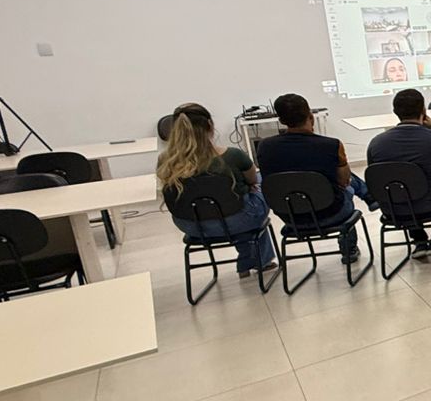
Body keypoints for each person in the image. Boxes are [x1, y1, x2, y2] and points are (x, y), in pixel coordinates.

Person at [157, 103, 278, 277]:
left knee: (236, 205)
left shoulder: (166, 161)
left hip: (191, 225)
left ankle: (249, 258)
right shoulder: (233, 155)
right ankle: (258, 261)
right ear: (210, 125)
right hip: (236, 220)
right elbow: (252, 181)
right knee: (259, 184)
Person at [255, 93, 367, 264]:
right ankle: (349, 248)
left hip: (290, 216)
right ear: (311, 116)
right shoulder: (331, 145)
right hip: (331, 213)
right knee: (348, 185)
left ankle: (369, 196)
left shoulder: (264, 147)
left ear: (281, 120)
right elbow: (344, 181)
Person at [364, 88, 431, 255]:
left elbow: (375, 175)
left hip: (394, 210)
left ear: (395, 111)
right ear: (423, 110)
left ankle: (419, 241)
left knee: (401, 189)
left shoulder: (376, 143)